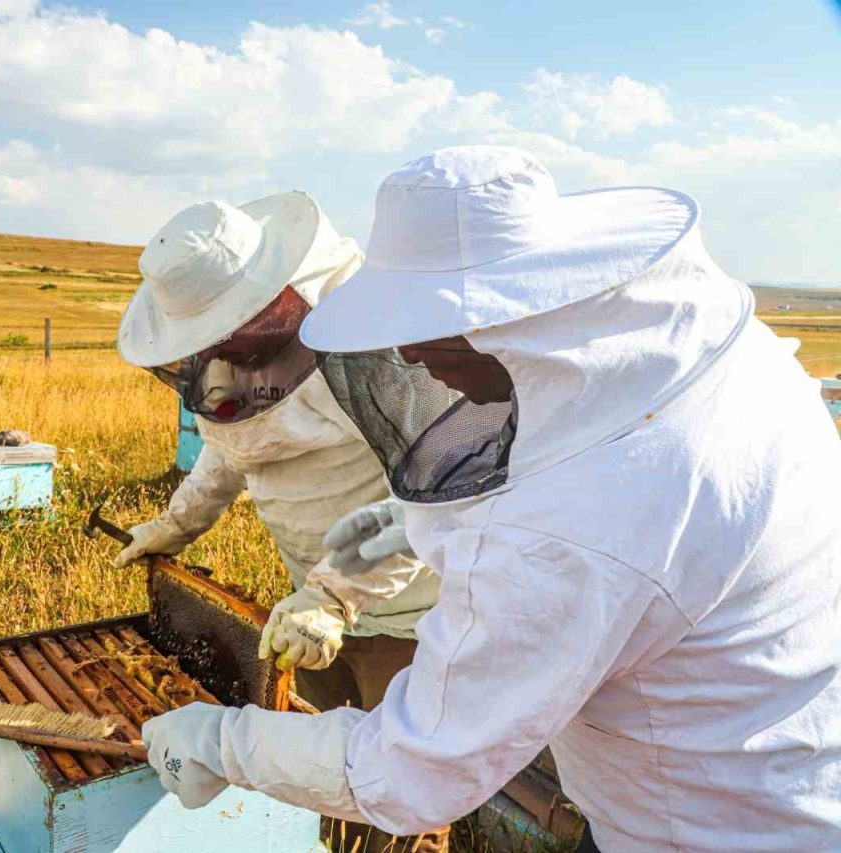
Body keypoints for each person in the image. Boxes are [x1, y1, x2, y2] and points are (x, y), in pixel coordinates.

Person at [140, 145, 841, 851]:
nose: (407, 355)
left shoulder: (569, 530)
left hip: (710, 828)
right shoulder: (693, 355)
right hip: (771, 766)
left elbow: (410, 772)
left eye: (422, 325)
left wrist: (219, 742)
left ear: (498, 315)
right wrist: (389, 536)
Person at [116, 193, 456, 851]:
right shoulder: (232, 369)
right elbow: (231, 449)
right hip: (308, 612)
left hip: (409, 616)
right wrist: (175, 524)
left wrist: (334, 595)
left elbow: (434, 493)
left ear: (270, 305)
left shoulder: (372, 348)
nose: (221, 361)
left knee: (402, 786)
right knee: (320, 767)